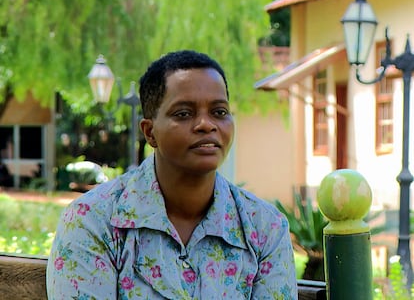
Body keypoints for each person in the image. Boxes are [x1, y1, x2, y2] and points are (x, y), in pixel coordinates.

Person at [47, 50, 298, 299]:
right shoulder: (93, 221)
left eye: (219, 112)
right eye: (184, 113)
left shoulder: (265, 228)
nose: (206, 124)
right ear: (149, 132)